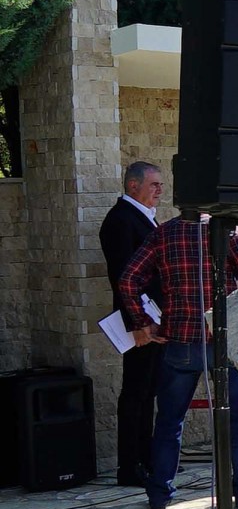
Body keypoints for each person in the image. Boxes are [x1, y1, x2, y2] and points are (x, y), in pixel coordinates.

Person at [117, 215, 238, 509]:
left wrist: (143, 322)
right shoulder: (227, 230)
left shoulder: (164, 233)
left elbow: (128, 279)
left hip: (181, 340)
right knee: (236, 418)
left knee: (170, 421)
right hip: (223, 339)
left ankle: (160, 494)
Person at [98, 160, 165, 488]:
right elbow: (123, 277)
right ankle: (130, 465)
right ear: (133, 185)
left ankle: (146, 457)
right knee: (135, 392)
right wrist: (137, 324)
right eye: (153, 184)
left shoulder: (144, 217)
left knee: (148, 390)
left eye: (160, 185)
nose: (159, 191)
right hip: (140, 320)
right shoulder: (121, 220)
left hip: (154, 317)